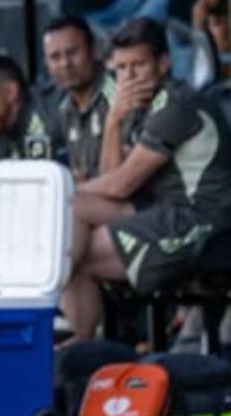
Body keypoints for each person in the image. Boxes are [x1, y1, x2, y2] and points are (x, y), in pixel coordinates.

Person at [63, 17, 231, 342]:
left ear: (163, 63)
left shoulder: (176, 104)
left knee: (76, 253)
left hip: (200, 221)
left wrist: (67, 186)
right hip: (162, 210)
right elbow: (110, 180)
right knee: (72, 210)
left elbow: (121, 185)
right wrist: (114, 121)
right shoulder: (137, 107)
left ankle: (81, 345)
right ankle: (80, 345)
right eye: (120, 69)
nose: (128, 77)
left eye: (138, 65)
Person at [0, 55, 57, 290]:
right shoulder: (1, 125)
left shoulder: (45, 115)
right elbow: (3, 198)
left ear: (10, 92)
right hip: (26, 216)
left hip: (57, 216)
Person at [43, 16, 114, 182]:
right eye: (55, 57)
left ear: (94, 51)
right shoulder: (63, 108)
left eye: (72, 53)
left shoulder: (118, 94)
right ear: (46, 64)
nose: (65, 63)